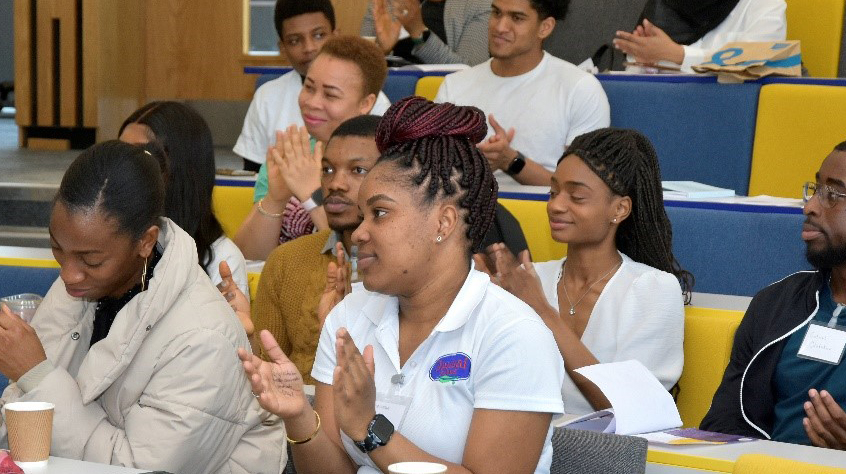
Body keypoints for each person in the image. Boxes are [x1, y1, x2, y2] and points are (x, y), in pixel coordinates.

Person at [238, 97, 564, 473]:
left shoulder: (514, 334)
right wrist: (298, 415)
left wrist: (369, 429)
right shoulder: (349, 316)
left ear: (443, 223)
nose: (359, 233)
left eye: (380, 213)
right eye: (362, 215)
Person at [0, 141, 285, 473]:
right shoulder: (81, 286)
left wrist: (36, 376)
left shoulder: (203, 337)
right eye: (57, 248)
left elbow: (138, 467)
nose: (68, 274)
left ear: (146, 241)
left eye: (91, 260)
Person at [477, 128, 692, 415]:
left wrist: (542, 312)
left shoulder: (652, 288)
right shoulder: (529, 279)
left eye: (576, 197)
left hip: (604, 452)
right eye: (553, 192)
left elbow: (630, 408)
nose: (555, 205)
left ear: (620, 208)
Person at [700, 141, 846, 449]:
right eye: (816, 188)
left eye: (832, 194)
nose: (810, 206)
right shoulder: (775, 303)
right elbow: (722, 422)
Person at [250, 115, 381, 382]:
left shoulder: (409, 270)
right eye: (327, 169)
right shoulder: (286, 261)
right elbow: (265, 373)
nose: (335, 184)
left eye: (357, 171)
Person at [235, 35, 389, 260]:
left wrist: (311, 195)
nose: (312, 102)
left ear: (366, 103)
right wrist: (275, 199)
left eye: (330, 94)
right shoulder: (292, 155)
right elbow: (248, 259)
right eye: (308, 86)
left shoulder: (386, 162)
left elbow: (360, 258)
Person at [434, 0, 610, 186]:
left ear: (545, 27)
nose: (500, 27)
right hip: (463, 210)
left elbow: (584, 188)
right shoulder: (454, 85)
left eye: (517, 18)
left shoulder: (580, 88)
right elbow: (428, 171)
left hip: (543, 212)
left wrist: (511, 161)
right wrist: (471, 165)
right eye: (496, 13)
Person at [234, 0, 391, 172]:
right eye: (294, 41)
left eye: (318, 35)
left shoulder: (377, 104)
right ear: (282, 48)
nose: (309, 48)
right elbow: (253, 176)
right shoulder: (267, 97)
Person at [119, 101, 248, 297]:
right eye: (119, 152)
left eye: (141, 155)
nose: (122, 167)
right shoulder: (106, 238)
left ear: (180, 166)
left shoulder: (222, 258)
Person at [614, 0, 786, 73]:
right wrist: (645, 62)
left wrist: (679, 55)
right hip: (663, 109)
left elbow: (754, 66)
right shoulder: (666, 5)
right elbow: (636, 68)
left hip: (734, 116)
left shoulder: (766, 5)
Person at [360, 0, 491, 66]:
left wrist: (419, 33)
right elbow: (359, 67)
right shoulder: (387, 2)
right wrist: (380, 51)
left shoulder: (480, 4)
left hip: (444, 102)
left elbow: (470, 71)